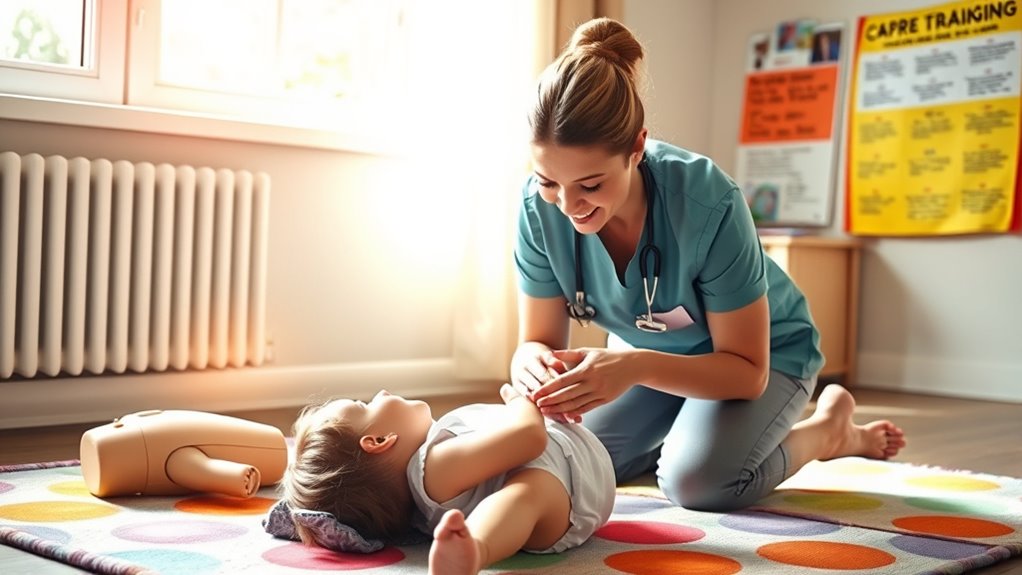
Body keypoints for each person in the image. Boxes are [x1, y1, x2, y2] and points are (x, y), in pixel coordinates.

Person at [512, 17, 906, 513]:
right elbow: (538, 341)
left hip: (760, 356)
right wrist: (529, 364)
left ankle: (828, 434)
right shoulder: (535, 208)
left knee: (697, 483)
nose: (567, 205)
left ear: (636, 147)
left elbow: (746, 373)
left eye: (590, 185)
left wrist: (632, 365)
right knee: (569, 463)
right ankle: (693, 431)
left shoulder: (706, 200)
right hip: (651, 361)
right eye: (548, 181)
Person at [281, 386, 615, 575]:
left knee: (526, 488)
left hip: (574, 480)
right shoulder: (432, 468)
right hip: (565, 487)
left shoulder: (427, 489)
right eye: (366, 405)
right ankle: (478, 548)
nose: (380, 392)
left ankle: (473, 547)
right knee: (524, 492)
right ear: (380, 440)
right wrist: (521, 401)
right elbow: (528, 437)